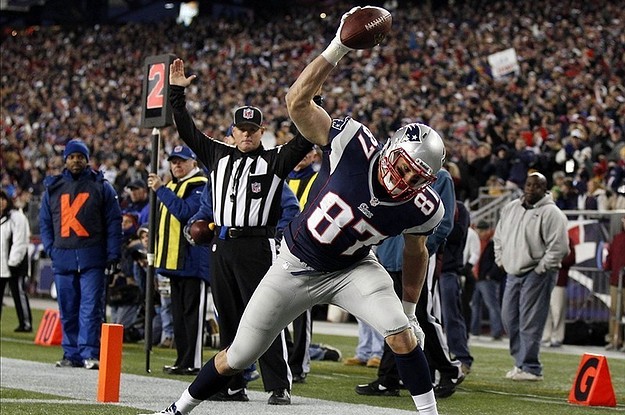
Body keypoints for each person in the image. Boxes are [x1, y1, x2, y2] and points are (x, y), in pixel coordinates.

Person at [140, 8, 446, 414]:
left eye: (416, 175)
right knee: (239, 353)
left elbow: (416, 251)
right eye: (404, 166)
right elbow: (296, 101)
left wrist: (409, 309)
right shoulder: (352, 144)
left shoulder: (423, 206)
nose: (404, 179)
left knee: (401, 333)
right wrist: (338, 46)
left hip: (352, 269)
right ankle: (179, 408)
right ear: (391, 150)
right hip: (294, 264)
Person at [167, 58, 314, 406]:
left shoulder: (276, 159)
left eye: (253, 129)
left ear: (262, 132)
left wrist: (313, 101)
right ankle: (233, 385)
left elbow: (305, 139)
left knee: (265, 317)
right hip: (222, 245)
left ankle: (279, 384)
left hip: (258, 246)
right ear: (231, 131)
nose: (246, 134)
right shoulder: (217, 154)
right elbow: (186, 130)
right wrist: (177, 95)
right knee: (229, 317)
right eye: (241, 129)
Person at [39, 139, 122, 369]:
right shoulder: (53, 188)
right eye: (72, 156)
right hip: (63, 256)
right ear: (65, 159)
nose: (76, 160)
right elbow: (45, 222)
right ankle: (71, 353)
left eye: (80, 156)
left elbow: (113, 222)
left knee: (91, 308)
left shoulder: (101, 186)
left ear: (87, 160)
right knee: (67, 307)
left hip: (92, 257)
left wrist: (113, 254)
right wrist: (51, 249)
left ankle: (89, 353)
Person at [494, 172, 569, 381]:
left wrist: (542, 268)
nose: (530, 189)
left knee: (530, 321)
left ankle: (531, 367)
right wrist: (501, 259)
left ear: (545, 189)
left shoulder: (552, 213)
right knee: (508, 318)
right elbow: (498, 236)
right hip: (512, 271)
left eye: (535, 186)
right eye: (528, 184)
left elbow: (560, 247)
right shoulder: (511, 208)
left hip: (536, 272)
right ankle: (520, 362)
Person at [149, 145, 209, 375]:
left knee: (192, 315)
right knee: (178, 316)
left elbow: (186, 213)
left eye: (181, 161)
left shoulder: (200, 186)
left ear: (193, 163)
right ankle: (182, 359)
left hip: (192, 261)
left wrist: (161, 191)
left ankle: (193, 361)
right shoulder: (174, 185)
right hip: (173, 263)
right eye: (174, 162)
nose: (177, 166)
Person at [438, 200, 473, 373]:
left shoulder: (459, 208)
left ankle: (462, 357)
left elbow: (457, 234)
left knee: (451, 315)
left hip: (447, 269)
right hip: (424, 269)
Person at [0, 189, 33, 332]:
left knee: (18, 293)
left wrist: (13, 261)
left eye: (2, 200)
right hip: (2, 265)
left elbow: (20, 241)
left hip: (15, 265)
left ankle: (25, 323)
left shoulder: (16, 217)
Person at [470, 221, 505, 340]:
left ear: (485, 230)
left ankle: (496, 332)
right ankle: (475, 331)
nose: (479, 233)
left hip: (487, 279)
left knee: (492, 305)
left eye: (480, 230)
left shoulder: (492, 242)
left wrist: (490, 275)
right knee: (475, 305)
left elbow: (498, 259)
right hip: (478, 278)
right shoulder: (482, 242)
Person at [541, 236, 575, 348]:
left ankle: (557, 337)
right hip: (544, 279)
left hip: (559, 281)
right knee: (545, 310)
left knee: (558, 310)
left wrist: (555, 259)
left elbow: (571, 259)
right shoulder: (545, 238)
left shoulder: (567, 240)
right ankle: (546, 336)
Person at [603, 216, 625, 351]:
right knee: (614, 311)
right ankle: (614, 339)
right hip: (616, 281)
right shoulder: (617, 238)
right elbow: (610, 256)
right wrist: (607, 266)